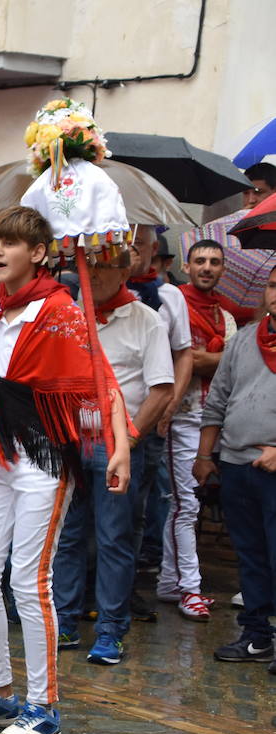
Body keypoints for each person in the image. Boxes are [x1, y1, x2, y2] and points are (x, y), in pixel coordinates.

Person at [0, 206, 130, 734]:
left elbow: (102, 381)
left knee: (30, 580)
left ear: (39, 253)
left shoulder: (59, 308)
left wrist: (119, 449)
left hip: (45, 459)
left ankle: (43, 706)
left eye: (10, 243)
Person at [53, 251, 173, 664]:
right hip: (72, 440)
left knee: (113, 538)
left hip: (117, 444)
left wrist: (130, 439)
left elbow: (162, 389)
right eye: (89, 265)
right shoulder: (70, 316)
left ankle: (111, 630)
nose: (95, 274)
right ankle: (65, 621)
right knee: (67, 536)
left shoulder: (146, 320)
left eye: (104, 266)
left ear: (125, 271)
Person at [194, 265, 276, 672]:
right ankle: (257, 636)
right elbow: (219, 400)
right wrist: (205, 456)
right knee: (250, 555)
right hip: (236, 464)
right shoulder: (244, 339)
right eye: (273, 285)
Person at [163, 240, 236, 619]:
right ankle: (189, 588)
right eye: (201, 261)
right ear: (187, 266)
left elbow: (231, 365)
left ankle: (168, 581)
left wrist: (204, 359)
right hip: (180, 416)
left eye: (215, 262)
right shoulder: (172, 303)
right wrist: (206, 359)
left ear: (223, 269)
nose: (207, 267)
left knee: (183, 504)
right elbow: (179, 360)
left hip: (216, 418)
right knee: (185, 505)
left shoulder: (226, 315)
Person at [126, 225, 194, 594]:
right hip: (105, 414)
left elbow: (183, 354)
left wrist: (170, 404)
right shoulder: (99, 289)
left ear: (154, 249)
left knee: (139, 500)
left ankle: (130, 583)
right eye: (126, 243)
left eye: (139, 244)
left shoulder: (169, 296)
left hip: (149, 415)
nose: (133, 250)